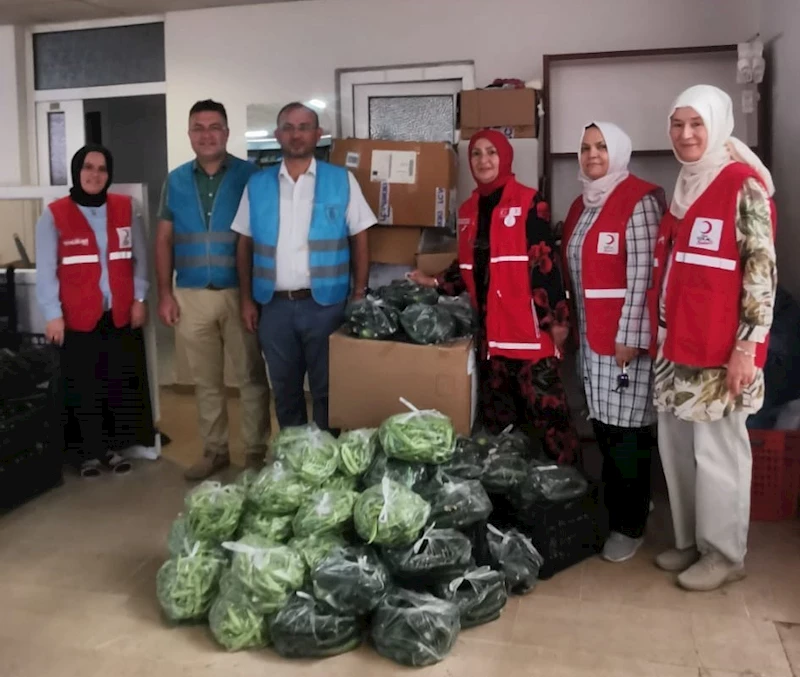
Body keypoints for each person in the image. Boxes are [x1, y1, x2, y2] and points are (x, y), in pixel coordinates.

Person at [648, 85, 777, 591]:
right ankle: (690, 541)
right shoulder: (687, 185)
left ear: (717, 125)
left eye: (696, 124)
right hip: (677, 343)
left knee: (720, 453)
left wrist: (747, 347)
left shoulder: (741, 184)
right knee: (678, 448)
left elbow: (761, 269)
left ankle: (725, 553)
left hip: (723, 349)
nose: (685, 135)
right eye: (678, 125)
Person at [409, 129, 579, 464]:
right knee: (502, 433)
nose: (484, 160)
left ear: (505, 157)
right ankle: (511, 506)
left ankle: (567, 500)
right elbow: (468, 267)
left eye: (491, 152)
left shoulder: (530, 202)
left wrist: (557, 322)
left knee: (551, 429)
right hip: (492, 342)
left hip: (530, 338)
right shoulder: (469, 210)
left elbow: (546, 265)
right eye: (476, 154)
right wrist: (434, 282)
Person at [234, 102, 375, 431]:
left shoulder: (341, 181)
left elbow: (361, 237)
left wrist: (359, 293)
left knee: (328, 391)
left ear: (318, 134)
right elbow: (244, 243)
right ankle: (295, 461)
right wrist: (245, 299)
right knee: (285, 392)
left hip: (326, 306)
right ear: (277, 134)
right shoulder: (258, 184)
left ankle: (326, 460)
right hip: (274, 307)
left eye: (303, 126)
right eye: (288, 127)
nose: (296, 134)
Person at [561, 121, 665, 562]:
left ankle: (630, 525)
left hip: (623, 340)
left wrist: (631, 336)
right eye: (585, 148)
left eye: (602, 146)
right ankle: (630, 502)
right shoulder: (581, 204)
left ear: (619, 151)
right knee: (604, 425)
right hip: (591, 337)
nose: (592, 155)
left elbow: (645, 274)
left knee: (629, 431)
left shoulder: (639, 200)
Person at [156, 100, 271, 480]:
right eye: (198, 127)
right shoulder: (174, 180)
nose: (206, 134)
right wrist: (165, 294)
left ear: (226, 132)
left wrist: (255, 296)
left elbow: (261, 236)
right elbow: (164, 239)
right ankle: (215, 451)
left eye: (214, 126)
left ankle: (255, 453)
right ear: (189, 134)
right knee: (205, 382)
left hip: (240, 294)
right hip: (191, 294)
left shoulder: (251, 176)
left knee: (251, 378)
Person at [36, 145, 156, 478]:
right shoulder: (55, 215)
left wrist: (140, 299)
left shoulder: (124, 208)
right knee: (81, 387)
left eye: (102, 169)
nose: (95, 174)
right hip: (76, 319)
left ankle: (112, 448)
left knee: (114, 384)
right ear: (77, 171)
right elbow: (46, 271)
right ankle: (86, 454)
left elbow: (139, 259)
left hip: (117, 314)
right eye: (88, 167)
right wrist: (52, 313)